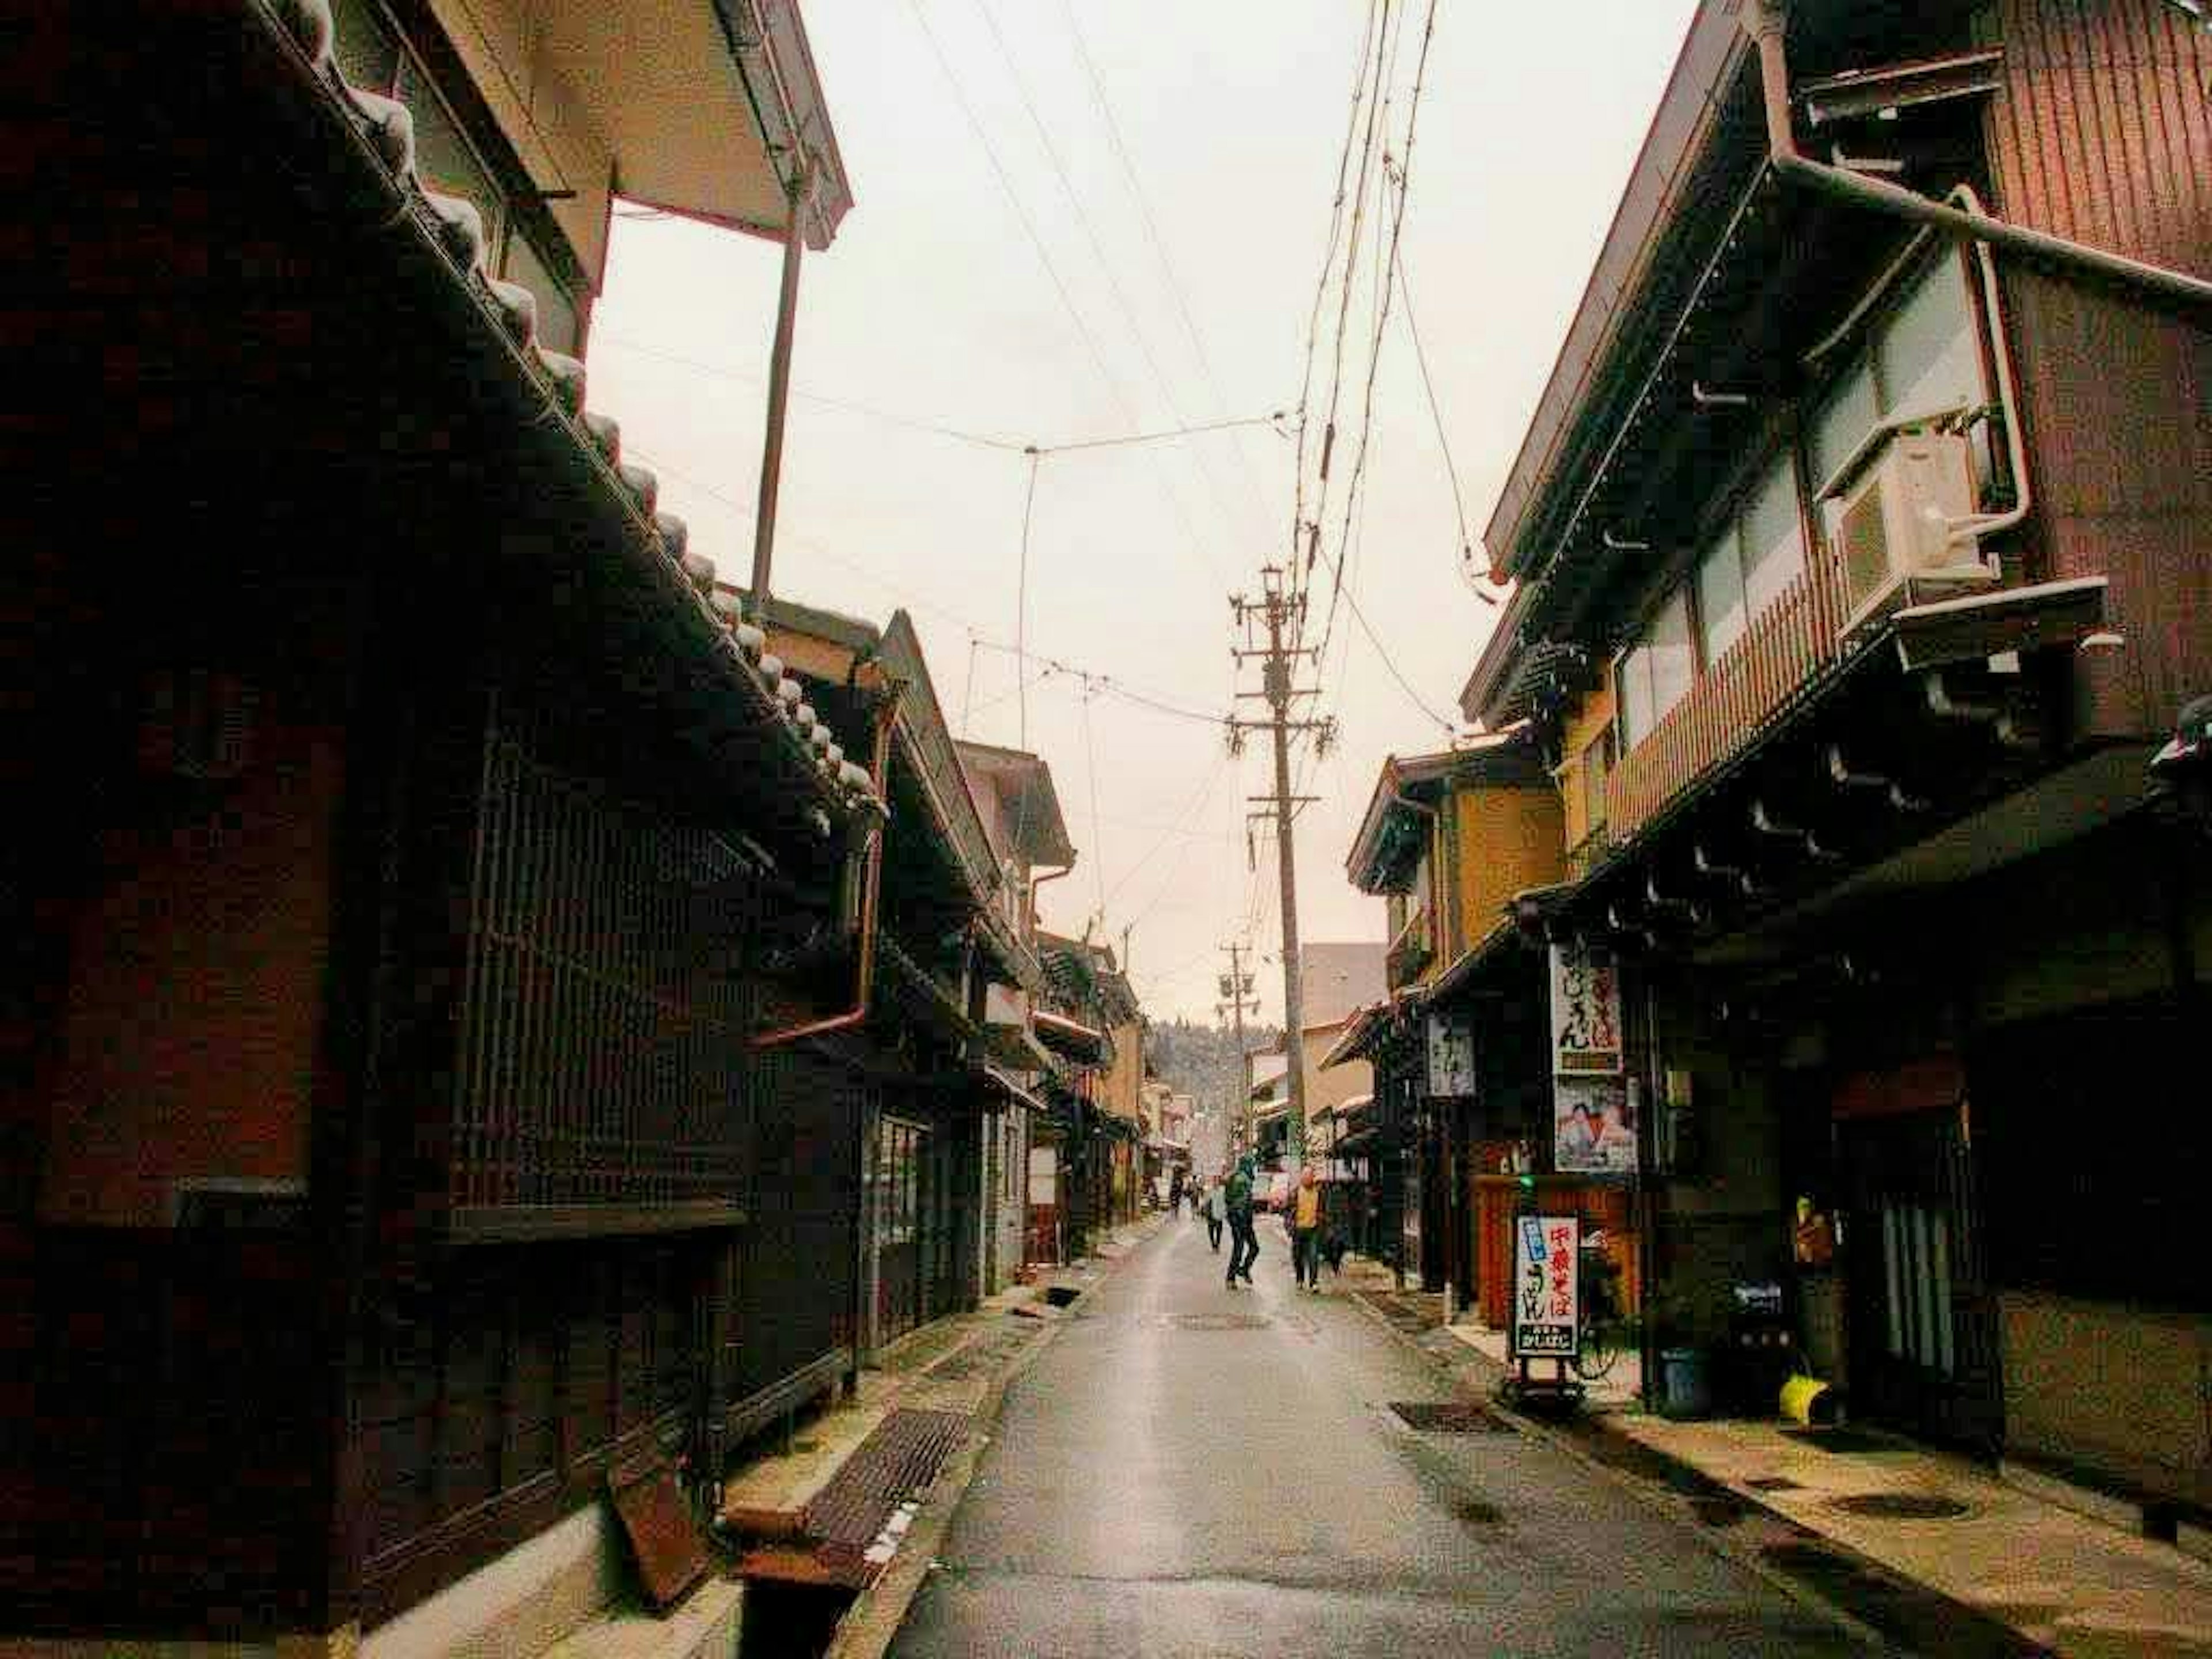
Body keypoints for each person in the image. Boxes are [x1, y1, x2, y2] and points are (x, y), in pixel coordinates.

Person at [1224, 1155, 1259, 1287]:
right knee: (1241, 1248)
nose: (1254, 1168)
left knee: (1251, 1248)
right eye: (1252, 1165)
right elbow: (1241, 1202)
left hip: (1241, 1219)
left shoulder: (1240, 1177)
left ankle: (1242, 1271)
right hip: (1240, 1219)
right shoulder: (1242, 1179)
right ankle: (1232, 1277)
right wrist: (1241, 1218)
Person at [1291, 1165, 1325, 1291]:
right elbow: (1289, 1210)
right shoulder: (1296, 1192)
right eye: (1305, 1176)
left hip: (1313, 1229)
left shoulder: (1319, 1193)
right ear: (1301, 1177)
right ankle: (1300, 1279)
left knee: (1313, 1255)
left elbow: (1323, 1210)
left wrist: (1322, 1221)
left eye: (1309, 1176)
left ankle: (1313, 1282)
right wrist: (1291, 1225)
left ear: (1313, 1178)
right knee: (1298, 1257)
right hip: (1299, 1229)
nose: (1307, 1179)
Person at [1203, 1176, 1225, 1252]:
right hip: (1211, 1214)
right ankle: (1213, 1245)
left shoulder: (1223, 1190)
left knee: (1219, 1231)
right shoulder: (1209, 1190)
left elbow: (1225, 1201)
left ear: (1219, 1182)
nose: (1216, 1183)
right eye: (1214, 1181)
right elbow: (1206, 1202)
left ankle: (1218, 1245)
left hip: (1219, 1214)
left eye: (1217, 1181)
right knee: (1211, 1231)